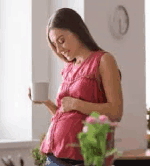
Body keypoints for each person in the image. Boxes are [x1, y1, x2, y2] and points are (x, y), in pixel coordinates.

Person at [28, 8, 123, 166]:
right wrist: (45, 102)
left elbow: (116, 112)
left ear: (76, 30)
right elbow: (66, 114)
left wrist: (76, 104)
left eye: (61, 41)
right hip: (53, 158)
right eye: (54, 45)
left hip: (83, 160)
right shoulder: (68, 69)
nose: (59, 50)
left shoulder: (104, 60)